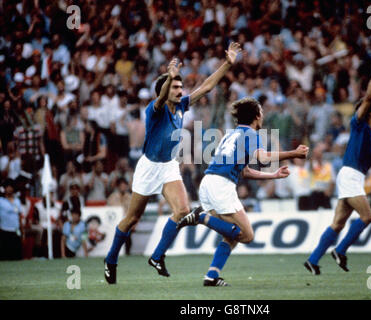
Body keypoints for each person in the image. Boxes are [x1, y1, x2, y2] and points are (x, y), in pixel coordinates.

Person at [104, 42, 243, 284]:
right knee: (132, 218)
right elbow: (159, 98)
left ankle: (157, 256)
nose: (180, 91)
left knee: (182, 210)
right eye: (175, 87)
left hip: (168, 165)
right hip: (148, 167)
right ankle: (111, 259)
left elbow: (207, 87)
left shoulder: (181, 106)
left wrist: (227, 64)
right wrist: (169, 76)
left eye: (180, 87)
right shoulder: (154, 109)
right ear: (165, 90)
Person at [177, 97, 309, 286]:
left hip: (209, 183)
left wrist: (274, 175)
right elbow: (263, 158)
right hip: (222, 185)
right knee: (247, 235)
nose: (262, 116)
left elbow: (245, 171)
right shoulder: (252, 135)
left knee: (231, 234)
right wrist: (294, 153)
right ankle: (201, 217)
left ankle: (211, 276)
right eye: (261, 112)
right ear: (257, 116)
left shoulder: (231, 134)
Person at [304, 61, 371, 275]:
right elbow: (370, 96)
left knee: (337, 224)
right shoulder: (359, 124)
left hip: (355, 177)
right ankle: (341, 250)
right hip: (350, 174)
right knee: (367, 217)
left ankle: (313, 259)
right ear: (369, 111)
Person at [0, 179, 23, 260]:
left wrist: (22, 231)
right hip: (4, 230)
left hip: (15, 230)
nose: (9, 189)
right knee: (5, 256)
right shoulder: (1, 201)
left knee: (17, 256)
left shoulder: (17, 201)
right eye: (7, 187)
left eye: (11, 187)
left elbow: (19, 216)